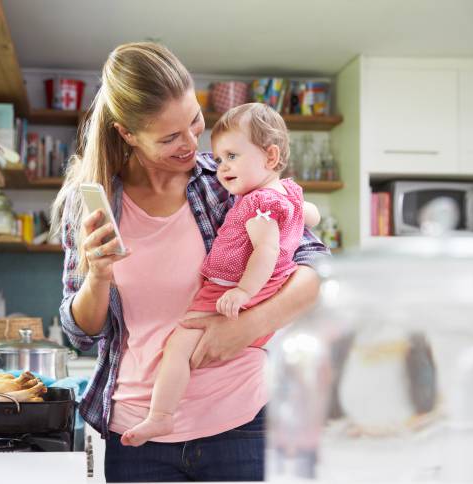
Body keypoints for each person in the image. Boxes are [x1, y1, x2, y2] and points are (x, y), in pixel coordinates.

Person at [51, 42, 330, 482]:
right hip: (137, 441)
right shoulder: (90, 205)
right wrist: (98, 276)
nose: (193, 143)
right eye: (170, 137)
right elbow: (81, 335)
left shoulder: (229, 182)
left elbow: (317, 273)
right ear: (127, 134)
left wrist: (244, 328)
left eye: (195, 121)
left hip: (242, 424)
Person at [120, 103, 321, 447]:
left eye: (231, 156)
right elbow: (309, 217)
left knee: (178, 346)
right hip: (258, 297)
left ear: (270, 157)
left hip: (229, 292)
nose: (221, 167)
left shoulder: (258, 205)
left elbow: (266, 251)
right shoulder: (285, 194)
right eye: (219, 157)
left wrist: (243, 292)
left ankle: (160, 417)